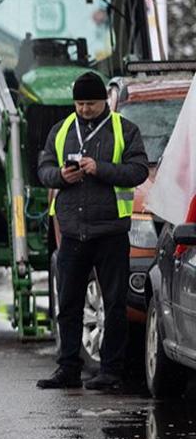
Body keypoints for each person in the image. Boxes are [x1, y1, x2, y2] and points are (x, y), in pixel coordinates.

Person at [35, 71, 148, 391]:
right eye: (80, 103)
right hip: (71, 231)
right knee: (68, 303)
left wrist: (101, 169)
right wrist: (60, 176)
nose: (84, 109)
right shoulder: (60, 130)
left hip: (110, 230)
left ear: (104, 102)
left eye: (91, 103)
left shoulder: (125, 130)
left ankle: (111, 371)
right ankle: (67, 368)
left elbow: (138, 170)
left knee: (114, 303)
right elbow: (42, 169)